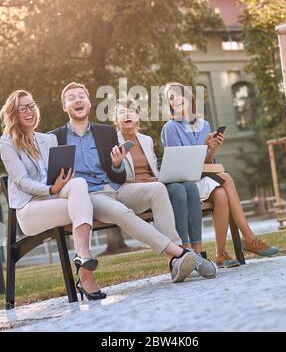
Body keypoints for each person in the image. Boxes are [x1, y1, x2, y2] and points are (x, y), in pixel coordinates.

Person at [51, 82, 198, 284]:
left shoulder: (104, 133)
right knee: (120, 211)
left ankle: (175, 261)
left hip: (117, 188)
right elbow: (53, 178)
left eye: (81, 96)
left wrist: (117, 164)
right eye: (71, 98)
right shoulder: (54, 138)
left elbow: (117, 176)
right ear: (64, 106)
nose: (77, 100)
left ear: (89, 103)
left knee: (157, 189)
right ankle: (180, 254)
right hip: (91, 196)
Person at [0, 90, 106, 301]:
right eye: (23, 108)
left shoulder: (48, 139)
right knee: (84, 206)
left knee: (78, 184)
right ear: (14, 113)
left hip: (55, 200)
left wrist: (65, 178)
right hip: (30, 209)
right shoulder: (6, 143)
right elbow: (22, 181)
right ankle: (85, 272)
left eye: (32, 105)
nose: (29, 111)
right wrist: (52, 189)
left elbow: (57, 175)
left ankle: (84, 260)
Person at [161, 82, 279, 268]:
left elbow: (208, 163)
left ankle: (221, 254)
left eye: (178, 95)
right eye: (171, 98)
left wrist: (212, 148)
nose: (175, 99)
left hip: (204, 178)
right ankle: (249, 238)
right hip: (187, 185)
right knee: (227, 178)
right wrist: (204, 148)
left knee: (222, 195)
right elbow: (180, 165)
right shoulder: (170, 128)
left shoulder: (204, 124)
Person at [114, 98, 217, 278]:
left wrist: (160, 177)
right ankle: (183, 253)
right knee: (172, 190)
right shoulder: (112, 142)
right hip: (131, 189)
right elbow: (114, 174)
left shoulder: (146, 140)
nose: (127, 114)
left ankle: (197, 252)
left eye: (132, 111)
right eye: (122, 112)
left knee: (188, 188)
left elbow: (152, 168)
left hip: (155, 184)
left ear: (138, 117)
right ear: (116, 119)